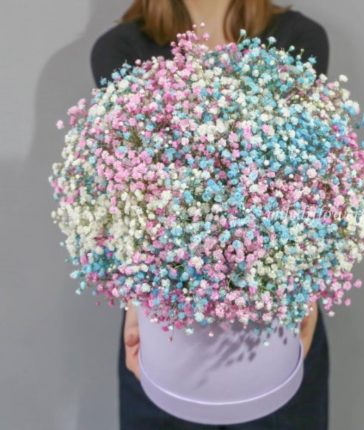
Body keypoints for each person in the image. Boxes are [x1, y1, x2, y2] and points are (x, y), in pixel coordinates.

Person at [90, 1, 330, 428]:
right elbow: (129, 200)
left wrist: (306, 289)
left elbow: (307, 183)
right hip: (168, 329)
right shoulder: (123, 49)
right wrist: (133, 300)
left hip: (273, 323)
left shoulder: (297, 39)